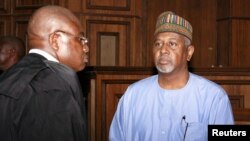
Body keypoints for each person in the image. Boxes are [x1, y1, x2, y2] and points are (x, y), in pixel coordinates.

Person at [109, 11, 234, 141]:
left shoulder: (213, 98)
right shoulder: (133, 95)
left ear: (189, 52)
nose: (163, 50)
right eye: (158, 44)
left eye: (172, 44)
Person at [0, 5, 89, 141]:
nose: (86, 48)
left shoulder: (8, 76)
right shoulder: (52, 86)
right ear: (55, 40)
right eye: (80, 39)